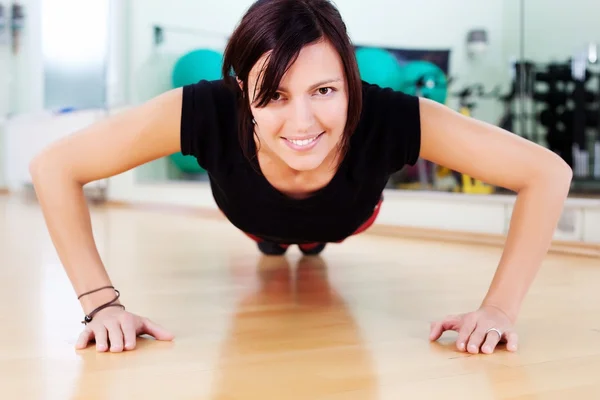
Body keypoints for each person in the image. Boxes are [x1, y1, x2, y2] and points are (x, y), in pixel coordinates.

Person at [29, 0, 572, 356]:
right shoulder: (205, 109)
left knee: (314, 243)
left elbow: (546, 173)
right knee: (270, 243)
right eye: (276, 95)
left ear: (351, 82)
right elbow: (54, 166)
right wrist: (102, 304)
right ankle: (275, 240)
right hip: (250, 214)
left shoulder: (392, 115)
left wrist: (498, 309)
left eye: (325, 91)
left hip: (348, 218)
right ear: (242, 90)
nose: (303, 123)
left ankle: (308, 242)